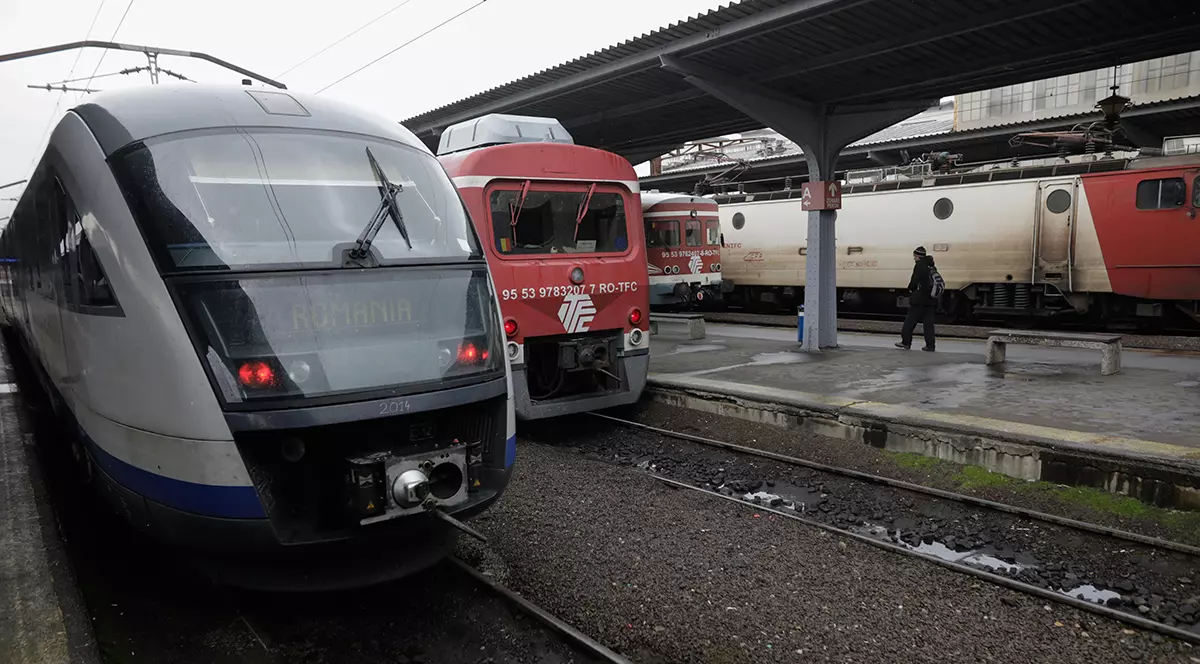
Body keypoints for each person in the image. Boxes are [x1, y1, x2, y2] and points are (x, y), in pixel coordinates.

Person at [896, 246, 937, 351]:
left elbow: (915, 280)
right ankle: (930, 345)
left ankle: (906, 342)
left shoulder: (919, 265)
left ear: (917, 256)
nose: (914, 258)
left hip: (919, 299)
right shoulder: (931, 265)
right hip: (930, 299)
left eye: (914, 256)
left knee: (910, 322)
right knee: (928, 325)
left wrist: (910, 288)